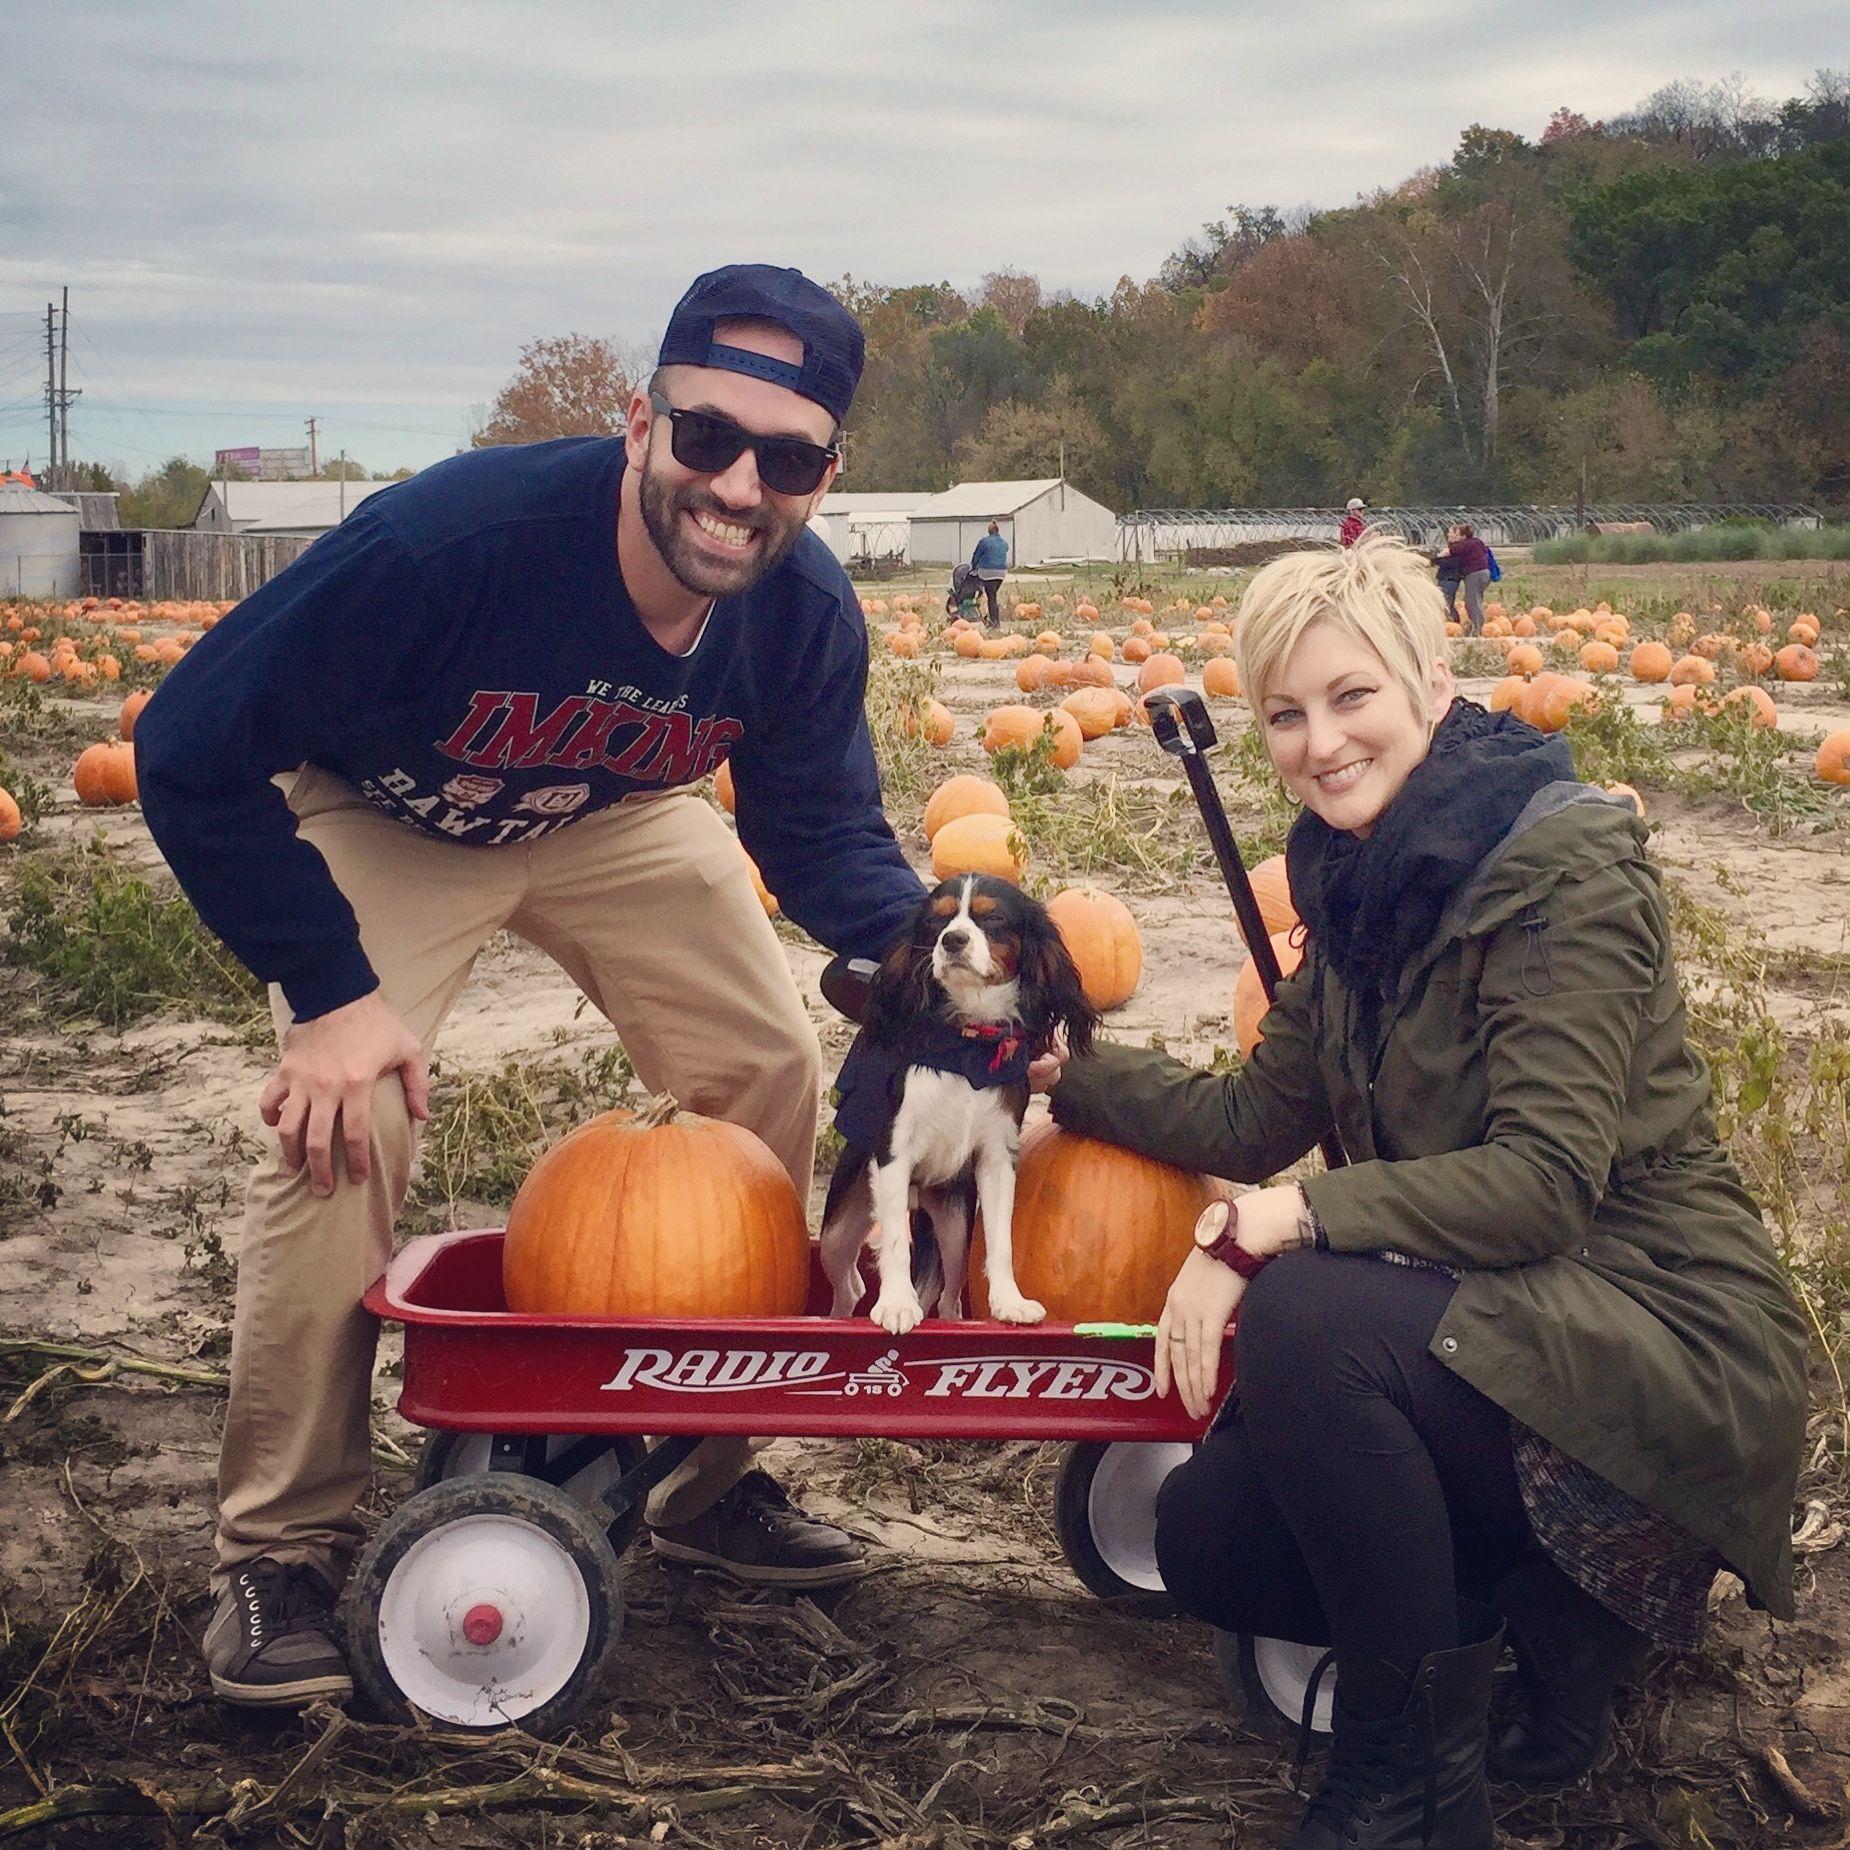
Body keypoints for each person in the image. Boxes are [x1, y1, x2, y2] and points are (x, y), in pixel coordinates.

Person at [136, 264, 929, 1710]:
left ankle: (700, 1472)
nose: (739, 485)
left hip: (617, 817)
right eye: (705, 438)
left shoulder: (799, 611)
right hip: (395, 812)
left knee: (765, 1066)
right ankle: (284, 1545)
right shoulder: (448, 545)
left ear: (827, 472)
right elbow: (187, 741)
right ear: (639, 423)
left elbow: (815, 828)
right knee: (346, 1114)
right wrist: (325, 991)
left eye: (788, 458)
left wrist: (921, 972)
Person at [1031, 537, 1807, 1849]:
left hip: (1657, 1340)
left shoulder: (1561, 872)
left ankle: (1410, 1785)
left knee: (1307, 1318)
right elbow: (1249, 1116)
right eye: (1285, 712)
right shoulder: (1360, 885)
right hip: (1514, 1331)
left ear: (1431, 681)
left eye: (1351, 697)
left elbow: (1545, 1182)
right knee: (1209, 1531)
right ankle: (1554, 1626)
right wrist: (1073, 1071)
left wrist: (1282, 1218)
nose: (1319, 741)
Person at [1437, 520, 1492, 633]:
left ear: (1463, 536)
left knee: (1472, 601)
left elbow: (1448, 552)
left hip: (1474, 574)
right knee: (1475, 599)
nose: (1455, 537)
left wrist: (1435, 558)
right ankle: (1476, 626)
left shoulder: (1465, 544)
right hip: (1484, 573)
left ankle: (1478, 628)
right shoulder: (1477, 542)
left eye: (1457, 534)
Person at [970, 519, 1009, 626]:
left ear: (989, 531)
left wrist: (973, 567)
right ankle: (994, 617)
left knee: (991, 596)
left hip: (987, 572)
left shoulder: (984, 542)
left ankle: (995, 621)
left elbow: (976, 556)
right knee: (993, 594)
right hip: (1001, 573)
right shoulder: (1004, 543)